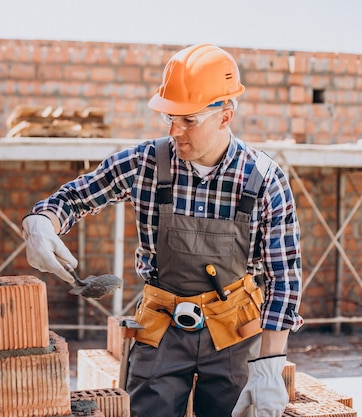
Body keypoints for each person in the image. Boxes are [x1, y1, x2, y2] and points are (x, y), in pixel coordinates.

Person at [22, 43, 303, 417]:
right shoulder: (148, 163)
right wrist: (41, 222)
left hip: (234, 332)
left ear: (225, 116)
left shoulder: (264, 179)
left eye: (189, 120)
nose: (175, 131)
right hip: (162, 326)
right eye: (170, 117)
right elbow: (75, 196)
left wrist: (268, 366)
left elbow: (283, 277)